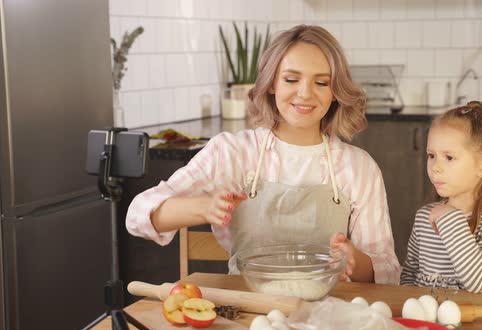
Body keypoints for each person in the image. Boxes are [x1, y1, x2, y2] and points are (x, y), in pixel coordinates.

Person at [126, 25, 400, 284]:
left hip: (327, 312)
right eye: (291, 79)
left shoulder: (359, 167)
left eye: (322, 83)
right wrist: (203, 207)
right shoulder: (232, 152)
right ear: (271, 84)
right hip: (246, 310)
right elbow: (138, 215)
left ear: (335, 93)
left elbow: (388, 270)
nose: (305, 94)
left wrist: (355, 261)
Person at [400, 101, 482, 329]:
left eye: (449, 158)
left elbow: (478, 282)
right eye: (431, 155)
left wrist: (450, 219)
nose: (435, 167)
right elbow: (410, 274)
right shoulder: (424, 217)